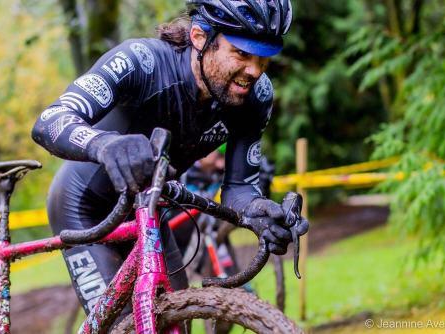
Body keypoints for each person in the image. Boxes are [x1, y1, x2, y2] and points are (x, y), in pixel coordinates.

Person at [32, 0, 305, 316]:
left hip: (147, 207)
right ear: (200, 37)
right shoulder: (141, 62)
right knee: (123, 324)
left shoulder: (255, 97)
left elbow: (239, 189)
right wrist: (103, 144)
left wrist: (258, 211)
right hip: (84, 205)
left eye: (264, 58)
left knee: (174, 319)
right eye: (242, 54)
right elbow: (51, 119)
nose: (254, 70)